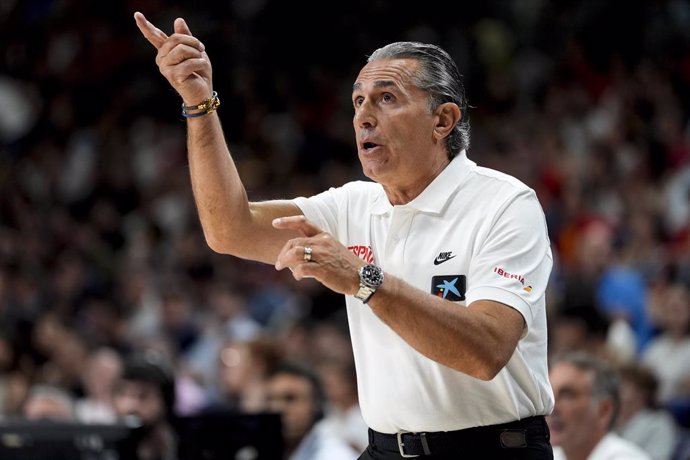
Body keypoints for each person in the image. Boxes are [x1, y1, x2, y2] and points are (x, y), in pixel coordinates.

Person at [134, 12, 554, 458]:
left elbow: (486, 351)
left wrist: (363, 279)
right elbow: (229, 230)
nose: (363, 117)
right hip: (385, 449)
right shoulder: (353, 204)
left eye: (386, 98)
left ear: (443, 120)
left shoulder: (505, 203)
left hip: (491, 449)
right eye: (357, 102)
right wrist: (200, 107)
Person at [548, 351, 651, 460]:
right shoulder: (550, 455)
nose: (551, 408)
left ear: (604, 410)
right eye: (549, 395)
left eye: (567, 396)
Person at [265, 361, 360, 460]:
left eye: (290, 398)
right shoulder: (257, 450)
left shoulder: (336, 455)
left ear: (316, 404)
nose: (277, 408)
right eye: (270, 399)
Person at [112, 349, 178, 460]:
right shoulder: (101, 445)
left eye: (143, 396)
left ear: (165, 401)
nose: (130, 405)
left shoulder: (185, 445)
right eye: (123, 394)